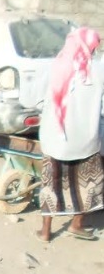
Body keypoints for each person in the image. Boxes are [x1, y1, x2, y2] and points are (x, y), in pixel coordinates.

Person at [34, 27, 103, 243]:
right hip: (87, 140)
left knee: (51, 183)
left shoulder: (55, 65)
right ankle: (77, 224)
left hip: (55, 140)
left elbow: (37, 99)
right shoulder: (99, 69)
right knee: (87, 184)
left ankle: (45, 231)